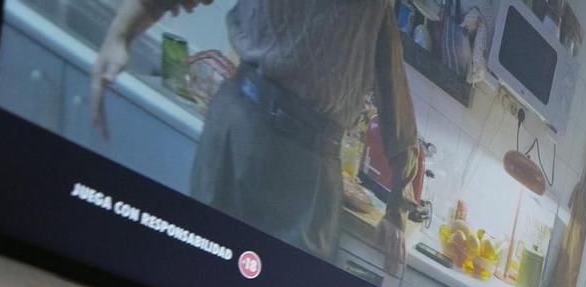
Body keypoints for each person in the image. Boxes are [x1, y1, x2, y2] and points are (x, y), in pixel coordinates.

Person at [89, 0, 416, 273]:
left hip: (310, 172)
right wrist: (121, 32)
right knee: (194, 277)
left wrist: (398, 207)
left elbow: (392, 81)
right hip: (242, 129)